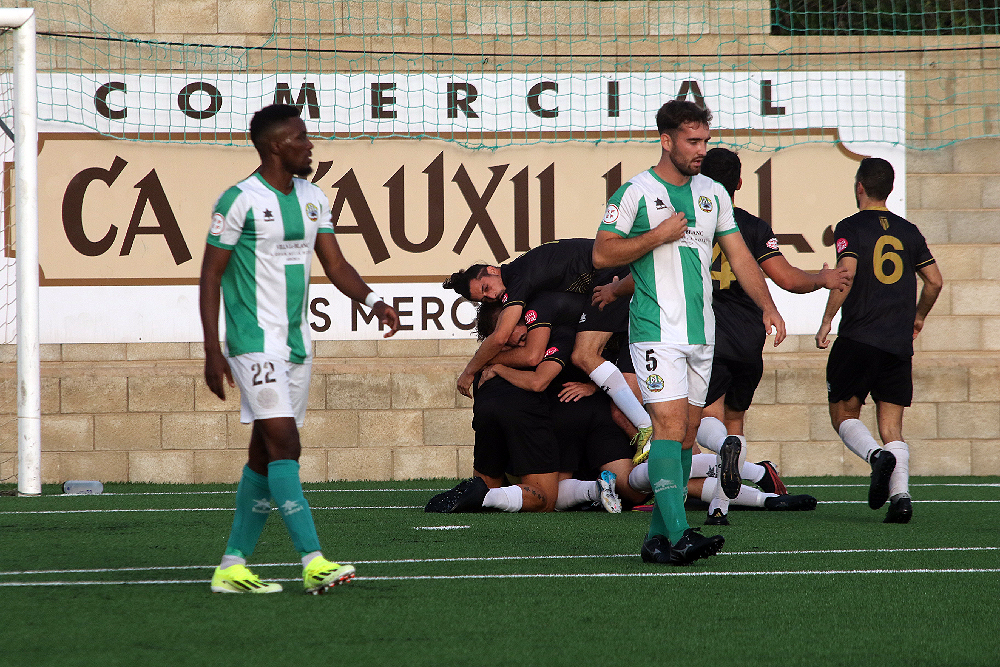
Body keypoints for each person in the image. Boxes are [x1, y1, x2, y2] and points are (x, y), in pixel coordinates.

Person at [200, 104, 400, 594]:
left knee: (266, 456)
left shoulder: (313, 197)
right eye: (299, 138)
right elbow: (210, 274)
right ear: (275, 146)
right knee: (287, 444)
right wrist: (211, 349)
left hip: (296, 344)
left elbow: (336, 264)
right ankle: (313, 561)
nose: (309, 145)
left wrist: (373, 300)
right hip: (252, 344)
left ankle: (231, 565)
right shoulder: (239, 200)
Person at [593, 99, 786, 566]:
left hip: (703, 335)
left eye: (705, 141)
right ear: (666, 140)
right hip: (656, 330)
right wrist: (655, 237)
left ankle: (658, 540)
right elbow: (602, 254)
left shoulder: (713, 193)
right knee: (669, 427)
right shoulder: (635, 192)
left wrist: (768, 306)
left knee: (686, 437)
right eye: (691, 141)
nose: (700, 150)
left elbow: (740, 257)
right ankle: (679, 534)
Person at [693, 147, 850, 525]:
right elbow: (786, 277)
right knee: (735, 422)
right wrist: (822, 279)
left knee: (708, 426)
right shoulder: (752, 226)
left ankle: (720, 500)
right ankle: (719, 508)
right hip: (749, 339)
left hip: (708, 335)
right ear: (740, 184)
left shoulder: (689, 222)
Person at [445, 241, 667, 456]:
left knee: (583, 355)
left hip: (614, 280)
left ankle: (646, 427)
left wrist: (471, 370)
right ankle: (669, 466)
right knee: (626, 411)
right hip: (625, 289)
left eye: (486, 288)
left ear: (492, 270)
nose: (492, 296)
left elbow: (505, 340)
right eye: (484, 298)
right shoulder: (535, 293)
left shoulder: (517, 278)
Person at [816, 156, 942, 524]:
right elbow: (935, 281)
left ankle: (875, 458)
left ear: (859, 187)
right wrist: (918, 317)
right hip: (898, 344)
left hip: (858, 337)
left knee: (842, 414)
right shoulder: (908, 230)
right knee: (892, 426)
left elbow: (847, 273)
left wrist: (827, 320)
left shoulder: (851, 227)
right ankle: (901, 497)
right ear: (888, 188)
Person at [425, 295, 621, 513]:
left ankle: (482, 493)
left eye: (521, 322)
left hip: (486, 408)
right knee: (545, 499)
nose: (521, 330)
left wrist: (493, 366)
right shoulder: (544, 345)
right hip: (523, 409)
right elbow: (537, 380)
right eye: (510, 327)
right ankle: (487, 496)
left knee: (488, 483)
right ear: (496, 336)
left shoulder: (484, 362)